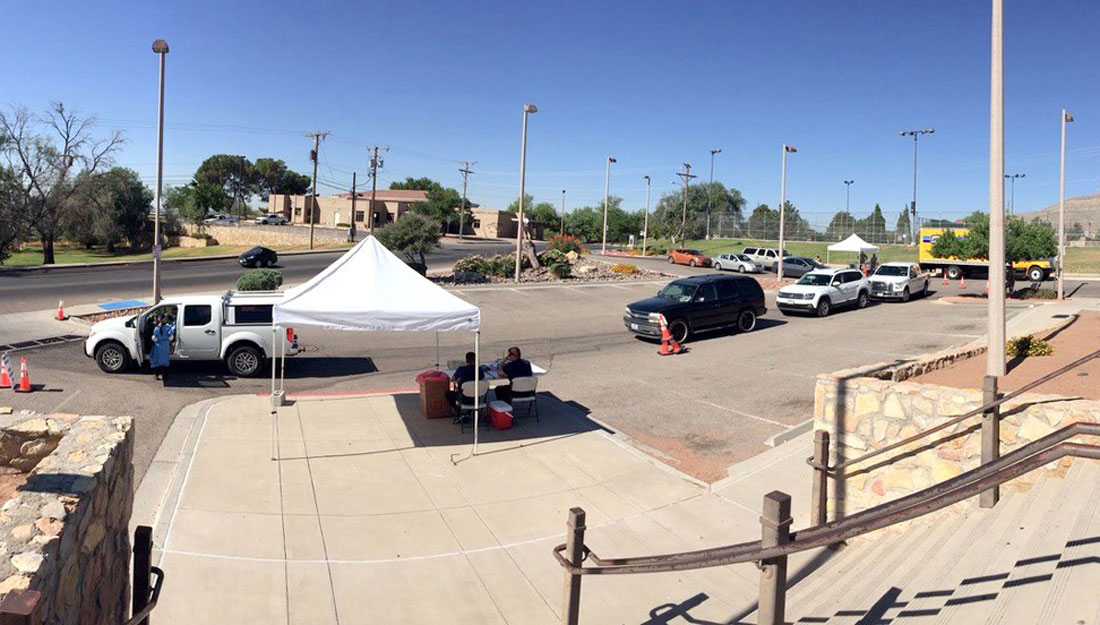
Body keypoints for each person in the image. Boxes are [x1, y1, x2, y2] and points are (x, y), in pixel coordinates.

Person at [449, 351, 483, 417]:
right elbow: (481, 378)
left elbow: (452, 379)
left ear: (466, 360)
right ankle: (468, 413)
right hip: (476, 398)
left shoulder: (461, 369)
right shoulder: (479, 370)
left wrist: (460, 379)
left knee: (448, 394)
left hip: (463, 398)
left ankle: (458, 411)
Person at [150, 314, 175, 381]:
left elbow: (154, 338)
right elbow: (171, 338)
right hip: (165, 346)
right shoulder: (168, 328)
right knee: (165, 361)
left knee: (157, 360)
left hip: (158, 346)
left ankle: (157, 375)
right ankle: (165, 375)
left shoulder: (156, 329)